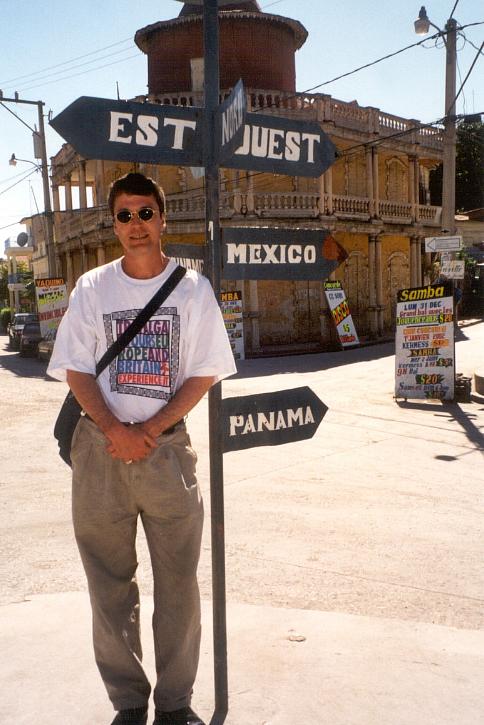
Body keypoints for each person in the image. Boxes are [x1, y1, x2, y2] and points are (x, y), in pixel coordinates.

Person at [48, 172, 236, 725]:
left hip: (166, 452)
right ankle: (128, 701)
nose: (135, 225)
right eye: (124, 215)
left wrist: (149, 431)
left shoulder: (191, 289)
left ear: (162, 219)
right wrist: (115, 430)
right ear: (114, 224)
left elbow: (204, 373)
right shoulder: (92, 288)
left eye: (145, 213)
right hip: (99, 452)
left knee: (178, 582)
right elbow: (76, 370)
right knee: (108, 582)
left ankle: (175, 702)